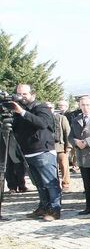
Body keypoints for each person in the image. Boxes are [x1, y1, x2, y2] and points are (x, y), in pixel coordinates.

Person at [9, 84, 60, 221]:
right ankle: (43, 207)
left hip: (43, 151)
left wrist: (22, 112)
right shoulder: (19, 111)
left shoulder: (41, 107)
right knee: (39, 184)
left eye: (24, 94)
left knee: (50, 183)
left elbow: (42, 123)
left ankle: (55, 210)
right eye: (19, 93)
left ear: (33, 94)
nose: (21, 97)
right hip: (27, 152)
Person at [51, 101, 71, 191]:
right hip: (48, 148)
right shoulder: (43, 118)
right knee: (51, 168)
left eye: (50, 107)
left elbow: (67, 132)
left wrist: (69, 146)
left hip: (60, 146)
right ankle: (54, 185)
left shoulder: (61, 118)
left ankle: (66, 184)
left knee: (64, 166)